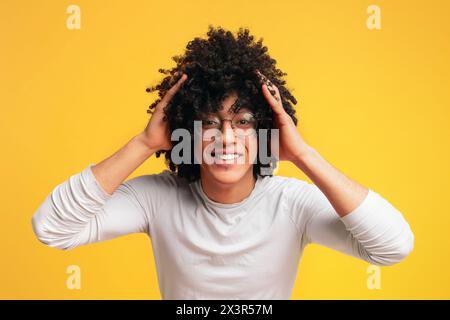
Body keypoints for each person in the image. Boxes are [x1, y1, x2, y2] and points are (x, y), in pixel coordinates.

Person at [31, 26, 414, 299]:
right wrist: (145, 143)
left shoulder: (291, 202)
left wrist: (302, 155)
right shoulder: (157, 199)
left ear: (266, 128)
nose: (227, 139)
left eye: (244, 122)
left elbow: (393, 247)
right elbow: (52, 228)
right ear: (185, 131)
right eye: (209, 123)